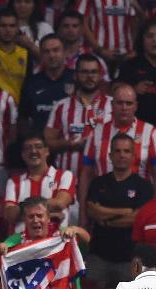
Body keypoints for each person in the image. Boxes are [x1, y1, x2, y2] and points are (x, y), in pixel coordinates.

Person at [85, 133, 154, 289]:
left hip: (131, 258)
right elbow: (92, 211)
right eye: (117, 151)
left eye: (126, 151)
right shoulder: (98, 183)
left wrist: (106, 218)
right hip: (98, 255)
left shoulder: (144, 186)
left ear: (133, 155)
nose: (122, 155)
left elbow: (138, 218)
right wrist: (126, 211)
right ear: (110, 155)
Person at [45, 54, 112, 204]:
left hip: (104, 182)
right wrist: (71, 144)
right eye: (84, 72)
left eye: (93, 72)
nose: (89, 77)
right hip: (67, 186)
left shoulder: (112, 106)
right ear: (75, 76)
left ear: (100, 75)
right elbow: (47, 143)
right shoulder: (61, 106)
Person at [81, 83, 156, 201]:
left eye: (129, 103)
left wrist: (155, 211)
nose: (124, 107)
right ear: (112, 105)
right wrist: (83, 214)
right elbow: (86, 174)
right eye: (120, 103)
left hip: (139, 203)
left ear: (136, 106)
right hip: (102, 201)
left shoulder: (150, 132)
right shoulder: (96, 132)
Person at [4, 131, 75, 233]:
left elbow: (60, 203)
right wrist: (49, 212)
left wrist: (22, 209)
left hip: (55, 242)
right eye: (28, 148)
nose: (33, 151)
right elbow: (10, 215)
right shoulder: (13, 182)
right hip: (20, 243)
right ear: (23, 155)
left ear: (47, 151)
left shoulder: (65, 176)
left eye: (38, 147)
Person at [19, 34, 74, 130]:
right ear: (41, 54)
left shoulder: (77, 80)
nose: (51, 55)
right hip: (40, 142)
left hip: (70, 141)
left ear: (64, 52)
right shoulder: (31, 83)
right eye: (46, 51)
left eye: (56, 50)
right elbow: (23, 118)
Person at [0, 8, 30, 104]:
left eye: (12, 26)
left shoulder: (26, 54)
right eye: (3, 26)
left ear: (18, 28)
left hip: (19, 107)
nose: (8, 30)